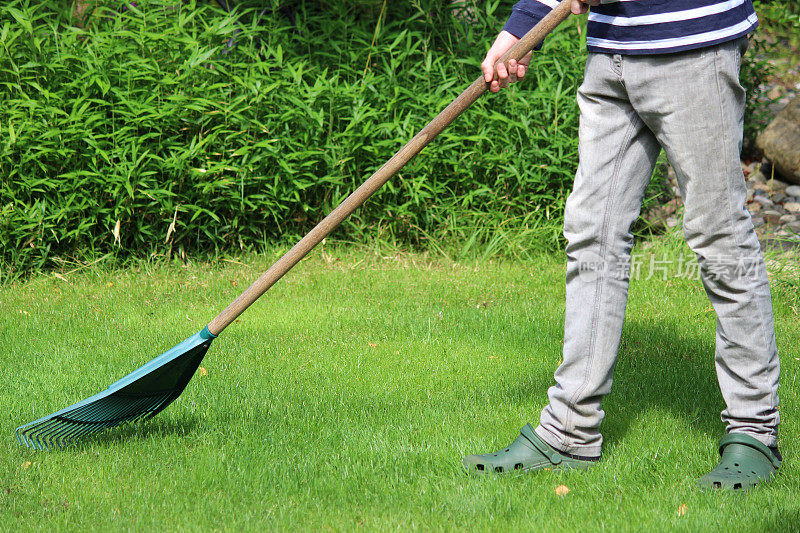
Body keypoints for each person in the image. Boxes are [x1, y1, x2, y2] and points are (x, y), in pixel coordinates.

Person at [462, 0, 782, 491]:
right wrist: (523, 25)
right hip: (610, 51)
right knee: (592, 234)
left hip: (690, 45)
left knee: (719, 236)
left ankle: (754, 432)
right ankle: (568, 432)